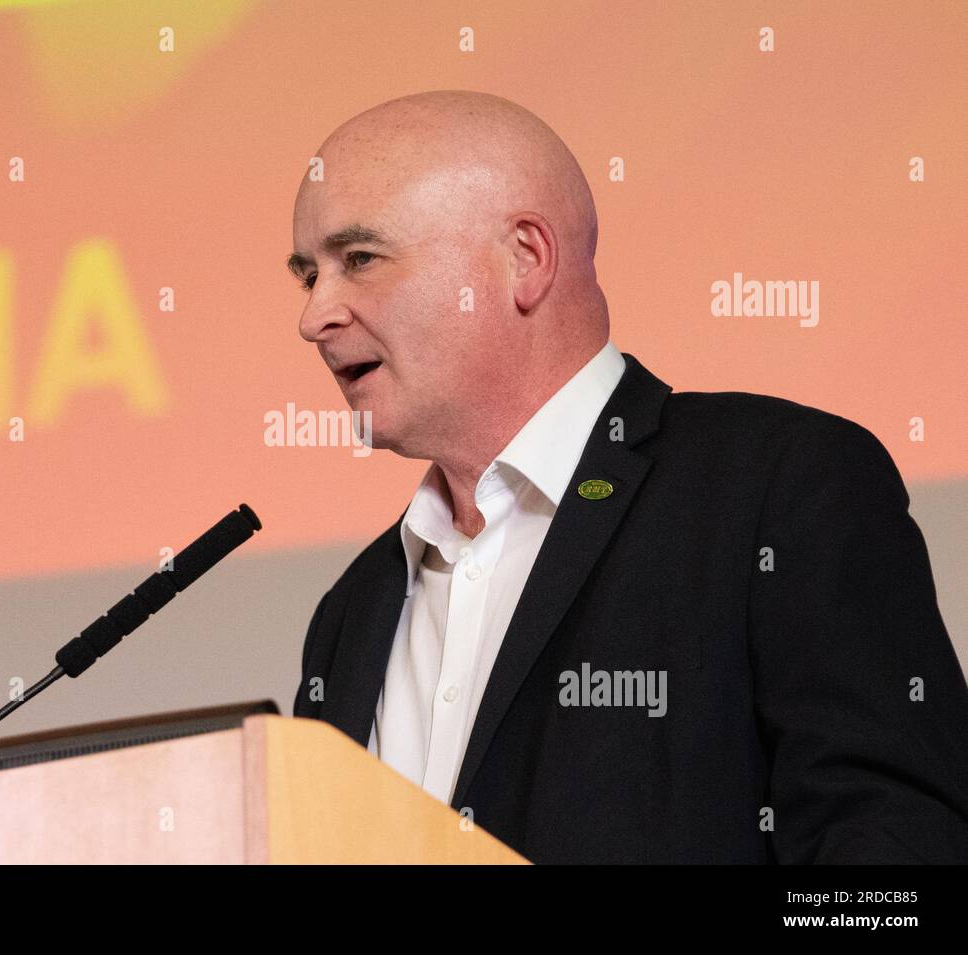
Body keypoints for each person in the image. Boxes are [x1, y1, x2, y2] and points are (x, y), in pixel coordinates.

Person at [287, 89, 968, 863]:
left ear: (525, 258)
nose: (314, 316)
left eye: (360, 260)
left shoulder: (776, 488)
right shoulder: (354, 607)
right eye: (307, 275)